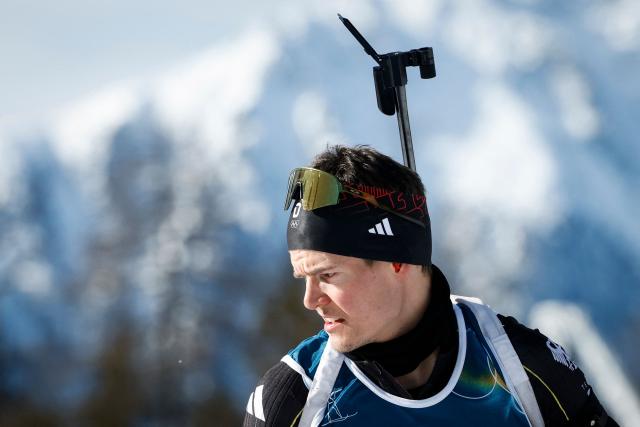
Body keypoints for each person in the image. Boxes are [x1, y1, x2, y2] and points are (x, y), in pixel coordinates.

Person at [244, 145, 618, 426]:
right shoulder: (294, 397)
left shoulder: (521, 365)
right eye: (303, 278)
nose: (310, 300)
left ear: (397, 260)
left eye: (327, 276)